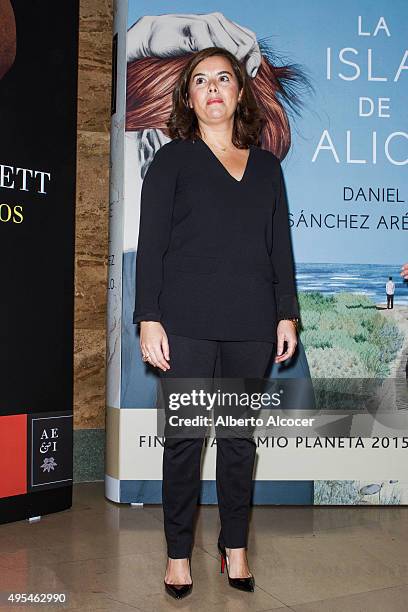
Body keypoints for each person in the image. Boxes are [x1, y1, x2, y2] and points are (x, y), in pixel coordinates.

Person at [133, 46, 300, 599]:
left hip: (251, 325)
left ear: (238, 92)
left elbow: (280, 251)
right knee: (184, 441)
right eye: (199, 80)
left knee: (236, 442)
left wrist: (286, 315)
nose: (211, 88)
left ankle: (235, 550)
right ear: (187, 96)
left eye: (222, 78)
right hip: (186, 324)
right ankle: (178, 554)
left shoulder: (268, 168)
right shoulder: (172, 160)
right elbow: (152, 245)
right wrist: (148, 319)